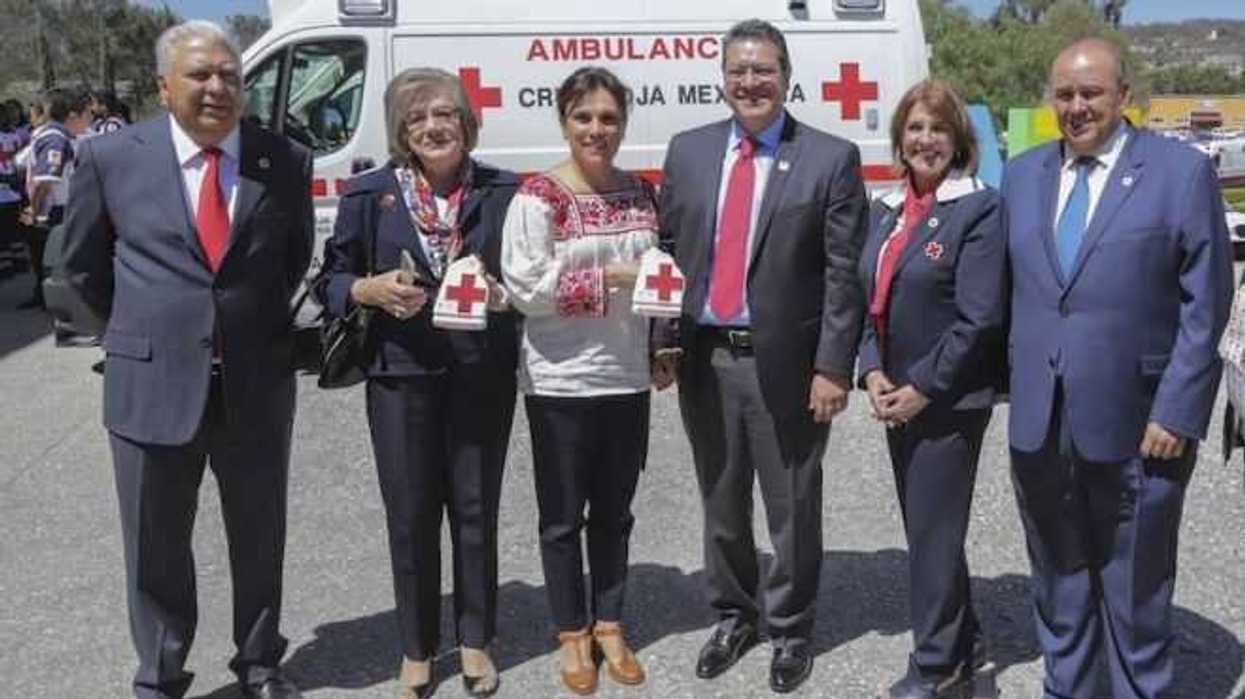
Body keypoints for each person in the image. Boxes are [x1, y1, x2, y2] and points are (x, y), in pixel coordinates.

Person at [52, 21, 313, 699]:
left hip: (255, 384)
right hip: (149, 383)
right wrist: (143, 332)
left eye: (229, 74)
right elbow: (80, 269)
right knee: (155, 546)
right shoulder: (112, 159)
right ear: (165, 86)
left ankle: (259, 664)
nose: (218, 86)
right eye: (200, 75)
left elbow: (289, 263)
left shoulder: (281, 158)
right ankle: (161, 674)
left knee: (259, 538)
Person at [1002, 38, 1232, 699]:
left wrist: (1176, 409)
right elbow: (996, 293)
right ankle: (1068, 687)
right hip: (1040, 420)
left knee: (1134, 584)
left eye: (1090, 93)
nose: (1075, 107)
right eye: (1064, 94)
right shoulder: (1021, 176)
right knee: (1058, 575)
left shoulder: (1177, 172)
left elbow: (1206, 301)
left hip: (1139, 423)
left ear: (1122, 95)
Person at [653, 18, 869, 694]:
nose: (750, 82)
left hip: (790, 365)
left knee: (791, 504)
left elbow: (844, 273)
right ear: (722, 79)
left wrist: (833, 365)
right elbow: (666, 254)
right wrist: (661, 340)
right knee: (720, 498)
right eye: (738, 71)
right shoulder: (687, 152)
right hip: (705, 358)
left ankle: (791, 627)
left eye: (763, 70)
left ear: (785, 76)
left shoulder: (828, 157)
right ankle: (732, 614)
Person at [315, 67, 519, 699]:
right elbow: (330, 279)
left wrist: (499, 294)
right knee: (409, 515)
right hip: (399, 376)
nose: (433, 127)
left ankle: (478, 640)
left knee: (476, 510)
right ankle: (417, 648)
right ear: (402, 132)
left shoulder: (504, 191)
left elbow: (531, 281)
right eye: (417, 118)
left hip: (480, 373)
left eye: (446, 115)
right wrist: (367, 289)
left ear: (467, 123)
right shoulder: (366, 193)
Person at [501, 66, 655, 696]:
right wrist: (613, 279)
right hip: (561, 380)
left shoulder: (642, 193)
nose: (597, 129)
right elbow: (525, 287)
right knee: (563, 516)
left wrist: (664, 345)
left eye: (609, 117)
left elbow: (662, 277)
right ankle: (571, 632)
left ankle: (610, 622)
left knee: (615, 512)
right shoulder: (537, 196)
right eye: (584, 117)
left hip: (627, 374)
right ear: (564, 121)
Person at [856, 80, 1005, 699]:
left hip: (947, 403)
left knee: (934, 535)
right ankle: (964, 640)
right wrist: (871, 369)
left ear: (959, 140)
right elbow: (866, 303)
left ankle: (939, 667)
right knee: (929, 529)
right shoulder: (886, 209)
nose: (925, 140)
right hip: (897, 396)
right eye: (915, 128)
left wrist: (923, 387)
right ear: (899, 139)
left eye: (938, 129)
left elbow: (980, 319)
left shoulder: (979, 208)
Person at [18, 86, 90, 308]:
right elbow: (44, 181)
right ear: (71, 115)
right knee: (64, 267)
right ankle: (72, 317)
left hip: (58, 208)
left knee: (60, 265)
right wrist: (35, 210)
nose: (89, 120)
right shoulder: (55, 139)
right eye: (86, 114)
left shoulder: (54, 135)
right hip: (57, 211)